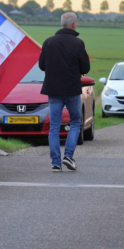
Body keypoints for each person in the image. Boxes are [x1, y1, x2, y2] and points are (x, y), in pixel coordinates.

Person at [39, 12, 90, 172]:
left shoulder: (48, 42)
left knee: (54, 126)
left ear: (61, 24)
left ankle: (55, 163)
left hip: (53, 90)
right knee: (75, 122)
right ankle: (68, 156)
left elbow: (41, 65)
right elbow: (86, 68)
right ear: (74, 25)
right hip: (72, 90)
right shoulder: (78, 43)